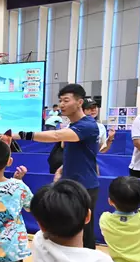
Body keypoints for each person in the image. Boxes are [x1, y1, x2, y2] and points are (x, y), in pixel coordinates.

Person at [14, 84, 99, 250]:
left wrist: (21, 135)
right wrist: (62, 170)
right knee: (67, 228)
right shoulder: (73, 126)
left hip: (85, 186)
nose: (62, 104)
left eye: (66, 100)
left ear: (80, 102)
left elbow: (55, 135)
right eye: (60, 101)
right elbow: (77, 153)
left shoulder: (87, 125)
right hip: (70, 183)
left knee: (83, 232)